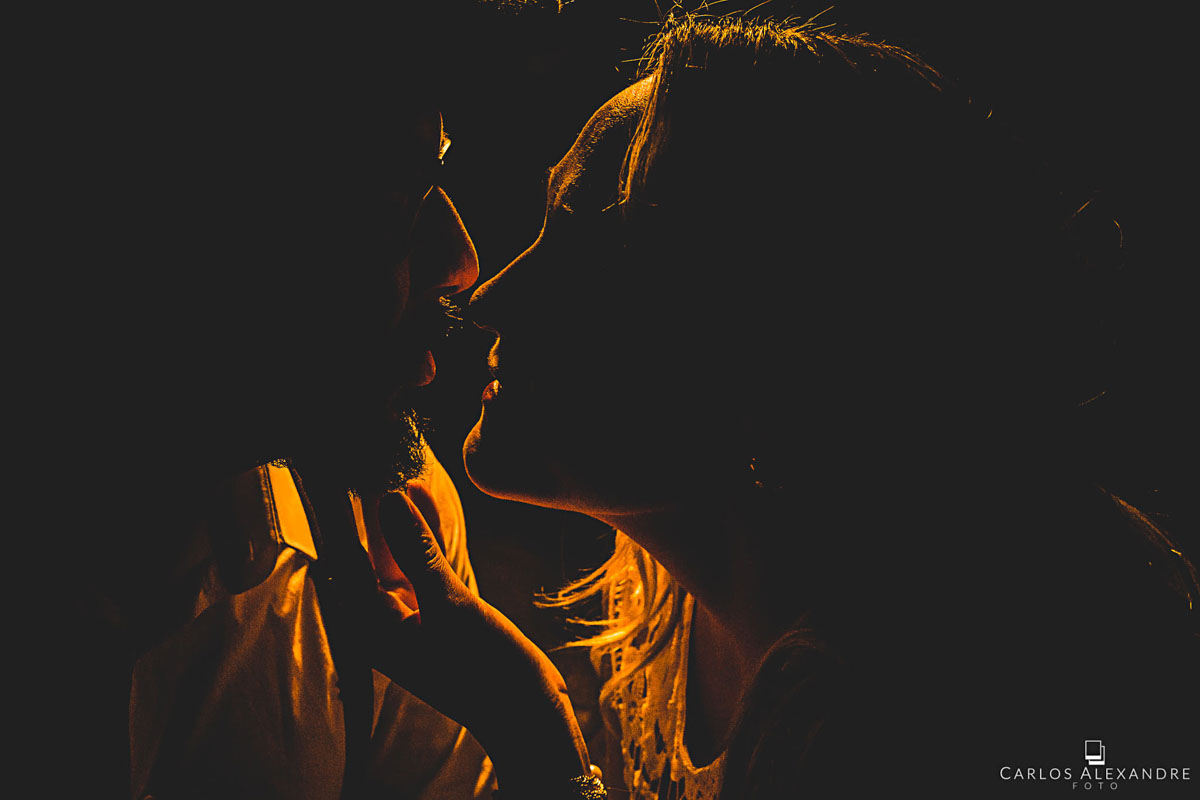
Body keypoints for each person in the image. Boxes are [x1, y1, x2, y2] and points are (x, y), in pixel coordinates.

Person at [362, 12, 1200, 799]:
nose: (493, 294)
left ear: (754, 331)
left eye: (580, 245)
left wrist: (538, 744)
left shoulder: (885, 713)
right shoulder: (665, 617)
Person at [48, 4, 585, 798]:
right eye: (390, 201)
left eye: (435, 176)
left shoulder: (392, 539)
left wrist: (535, 742)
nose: (465, 261)